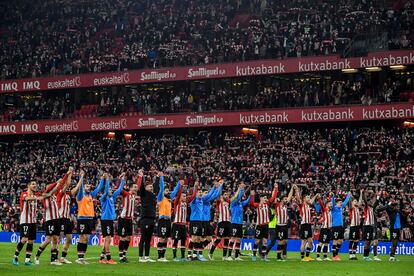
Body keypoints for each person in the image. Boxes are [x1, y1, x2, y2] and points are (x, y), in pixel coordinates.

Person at [35, 170, 72, 265]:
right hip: (49, 220)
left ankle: (53, 259)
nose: (52, 187)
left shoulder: (55, 195)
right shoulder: (45, 195)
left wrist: (67, 174)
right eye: (49, 185)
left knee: (55, 239)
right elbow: (53, 187)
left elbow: (61, 184)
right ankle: (37, 255)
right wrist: (57, 182)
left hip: (57, 220)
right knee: (48, 239)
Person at [75, 172, 105, 264]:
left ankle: (82, 257)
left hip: (89, 219)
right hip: (82, 218)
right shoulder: (80, 195)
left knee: (87, 238)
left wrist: (102, 179)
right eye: (87, 186)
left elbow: (99, 188)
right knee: (82, 237)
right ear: (84, 187)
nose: (89, 188)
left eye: (89, 186)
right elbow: (80, 188)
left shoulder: (91, 195)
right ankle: (79, 258)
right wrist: (82, 178)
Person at [12, 181, 44, 266]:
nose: (35, 185)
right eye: (33, 184)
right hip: (25, 220)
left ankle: (27, 260)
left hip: (33, 221)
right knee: (24, 239)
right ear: (28, 186)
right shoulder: (24, 194)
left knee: (31, 241)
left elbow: (45, 194)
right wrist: (37, 198)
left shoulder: (36, 195)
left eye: (35, 184)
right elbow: (27, 199)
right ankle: (15, 257)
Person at [99, 173, 125, 264]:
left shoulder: (111, 198)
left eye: (110, 189)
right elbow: (106, 191)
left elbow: (119, 190)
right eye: (109, 189)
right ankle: (109, 258)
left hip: (110, 220)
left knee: (108, 239)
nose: (110, 190)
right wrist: (107, 180)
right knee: (108, 238)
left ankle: (102, 258)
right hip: (105, 220)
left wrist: (122, 180)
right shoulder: (103, 198)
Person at [188, 181, 218, 261]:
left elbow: (212, 195)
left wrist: (215, 188)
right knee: (194, 238)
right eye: (200, 192)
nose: (201, 194)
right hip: (195, 221)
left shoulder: (201, 201)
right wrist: (195, 187)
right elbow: (207, 195)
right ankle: (189, 255)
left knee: (200, 239)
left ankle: (196, 255)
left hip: (201, 222)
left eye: (201, 192)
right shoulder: (194, 201)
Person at [58, 170, 84, 264]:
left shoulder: (68, 194)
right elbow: (68, 184)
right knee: (59, 237)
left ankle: (63, 257)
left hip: (67, 219)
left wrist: (82, 177)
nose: (67, 186)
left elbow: (77, 188)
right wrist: (70, 173)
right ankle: (55, 257)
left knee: (69, 238)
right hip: (61, 218)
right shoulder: (60, 193)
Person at [209, 184, 238, 260]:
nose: (227, 196)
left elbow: (234, 197)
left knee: (227, 239)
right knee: (218, 238)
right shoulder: (219, 202)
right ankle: (210, 253)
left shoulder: (228, 202)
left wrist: (239, 189)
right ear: (222, 196)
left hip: (228, 222)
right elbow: (218, 194)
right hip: (221, 222)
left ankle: (224, 256)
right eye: (225, 195)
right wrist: (220, 186)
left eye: (227, 195)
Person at [156, 173, 180, 262]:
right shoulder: (160, 198)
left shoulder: (169, 198)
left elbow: (175, 191)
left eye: (167, 190)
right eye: (166, 190)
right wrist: (161, 178)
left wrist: (179, 184)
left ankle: (163, 256)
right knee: (162, 238)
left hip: (168, 221)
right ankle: (159, 257)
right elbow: (161, 188)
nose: (167, 191)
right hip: (162, 220)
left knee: (166, 238)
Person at [249, 184, 277, 261]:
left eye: (266, 198)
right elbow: (251, 203)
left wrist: (275, 188)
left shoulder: (267, 204)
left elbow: (273, 197)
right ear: (261, 198)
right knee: (257, 241)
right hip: (259, 226)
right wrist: (252, 195)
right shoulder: (257, 205)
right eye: (264, 198)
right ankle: (254, 255)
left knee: (265, 241)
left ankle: (263, 257)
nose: (266, 199)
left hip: (266, 226)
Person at [172, 181, 197, 261]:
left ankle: (183, 257)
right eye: (183, 196)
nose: (184, 197)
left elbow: (193, 196)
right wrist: (181, 186)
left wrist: (195, 187)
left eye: (185, 196)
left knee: (183, 241)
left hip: (183, 225)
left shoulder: (186, 202)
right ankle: (174, 257)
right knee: (176, 240)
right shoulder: (177, 202)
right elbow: (178, 194)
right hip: (176, 224)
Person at [118, 173, 140, 263]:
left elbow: (138, 185)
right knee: (122, 238)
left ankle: (124, 254)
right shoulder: (125, 194)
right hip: (123, 219)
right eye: (134, 187)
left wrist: (140, 176)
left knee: (128, 238)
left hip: (129, 220)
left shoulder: (134, 196)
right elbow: (119, 189)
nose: (136, 188)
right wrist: (120, 179)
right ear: (130, 188)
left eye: (136, 187)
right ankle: (120, 257)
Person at [270, 184, 295, 261]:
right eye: (284, 199)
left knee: (285, 241)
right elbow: (273, 197)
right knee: (280, 241)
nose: (286, 200)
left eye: (286, 199)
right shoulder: (277, 205)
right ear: (281, 200)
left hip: (285, 226)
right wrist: (275, 188)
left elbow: (290, 197)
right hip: (279, 226)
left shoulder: (285, 206)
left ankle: (282, 254)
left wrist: (292, 189)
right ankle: (278, 257)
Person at [294, 186, 318, 262]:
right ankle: (302, 257)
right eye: (307, 198)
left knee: (310, 241)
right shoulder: (302, 205)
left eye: (309, 197)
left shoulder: (308, 205)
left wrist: (316, 195)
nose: (309, 199)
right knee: (304, 241)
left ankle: (307, 256)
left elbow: (312, 201)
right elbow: (298, 198)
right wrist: (297, 190)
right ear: (304, 199)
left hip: (308, 225)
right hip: (304, 225)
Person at [138, 170, 157, 263]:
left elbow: (157, 187)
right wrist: (142, 177)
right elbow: (141, 187)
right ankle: (140, 257)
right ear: (145, 188)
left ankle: (147, 256)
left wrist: (158, 178)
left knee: (149, 239)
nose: (151, 187)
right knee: (143, 238)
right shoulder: (144, 193)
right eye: (149, 186)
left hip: (152, 219)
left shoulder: (153, 195)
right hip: (145, 219)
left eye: (152, 186)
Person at [228, 183, 250, 261]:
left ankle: (237, 256)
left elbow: (247, 201)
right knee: (233, 239)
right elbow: (238, 197)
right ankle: (229, 256)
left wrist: (251, 194)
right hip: (234, 223)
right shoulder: (233, 204)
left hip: (240, 224)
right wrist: (241, 189)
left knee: (239, 240)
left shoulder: (240, 204)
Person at [202, 178, 223, 260]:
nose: (206, 194)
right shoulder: (202, 199)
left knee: (209, 239)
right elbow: (211, 195)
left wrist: (218, 186)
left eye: (207, 192)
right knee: (199, 238)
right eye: (205, 193)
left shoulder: (207, 201)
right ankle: (196, 253)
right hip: (202, 221)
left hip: (207, 222)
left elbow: (214, 195)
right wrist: (216, 186)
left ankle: (199, 250)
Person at [360, 189, 381, 261]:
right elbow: (365, 201)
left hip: (371, 226)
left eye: (371, 202)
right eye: (370, 202)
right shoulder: (366, 207)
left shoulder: (372, 208)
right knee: (367, 241)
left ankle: (367, 256)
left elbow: (377, 202)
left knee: (369, 241)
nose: (371, 202)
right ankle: (365, 256)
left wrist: (378, 196)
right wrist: (362, 193)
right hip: (367, 226)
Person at [331, 191, 351, 261]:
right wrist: (333, 196)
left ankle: (336, 253)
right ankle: (334, 256)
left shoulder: (341, 208)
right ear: (337, 203)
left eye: (341, 203)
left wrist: (348, 196)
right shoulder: (334, 208)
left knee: (341, 241)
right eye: (340, 203)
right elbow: (333, 202)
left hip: (341, 227)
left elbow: (345, 202)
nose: (341, 204)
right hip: (335, 226)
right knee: (335, 241)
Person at [316, 194, 333, 261]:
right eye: (330, 204)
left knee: (326, 243)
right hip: (324, 229)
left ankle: (325, 256)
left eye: (331, 204)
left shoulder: (330, 211)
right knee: (321, 242)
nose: (331, 205)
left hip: (329, 229)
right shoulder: (324, 210)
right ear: (327, 205)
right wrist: (319, 198)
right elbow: (321, 204)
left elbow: (329, 200)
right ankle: (318, 256)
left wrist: (330, 196)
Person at [348, 192, 362, 261]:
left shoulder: (357, 208)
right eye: (355, 201)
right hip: (353, 226)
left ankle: (354, 254)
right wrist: (350, 196)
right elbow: (350, 203)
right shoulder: (351, 208)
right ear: (352, 202)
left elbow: (360, 202)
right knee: (352, 240)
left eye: (356, 201)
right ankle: (350, 255)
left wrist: (361, 193)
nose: (356, 202)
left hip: (357, 227)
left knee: (356, 241)